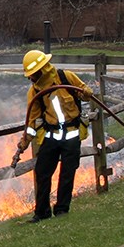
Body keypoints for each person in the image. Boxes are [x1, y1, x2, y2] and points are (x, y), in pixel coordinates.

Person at [14, 50, 93, 223]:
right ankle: (42, 212)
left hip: (72, 136)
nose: (30, 78)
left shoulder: (66, 78)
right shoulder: (35, 92)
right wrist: (24, 142)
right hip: (51, 137)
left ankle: (62, 211)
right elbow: (32, 122)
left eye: (32, 75)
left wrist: (86, 92)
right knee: (42, 173)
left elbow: (84, 93)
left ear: (41, 70)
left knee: (67, 174)